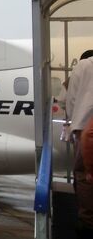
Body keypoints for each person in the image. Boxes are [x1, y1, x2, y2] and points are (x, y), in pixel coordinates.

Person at [65, 50, 93, 236]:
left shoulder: (83, 66)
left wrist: (73, 120)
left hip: (84, 126)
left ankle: (87, 220)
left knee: (84, 174)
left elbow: (71, 99)